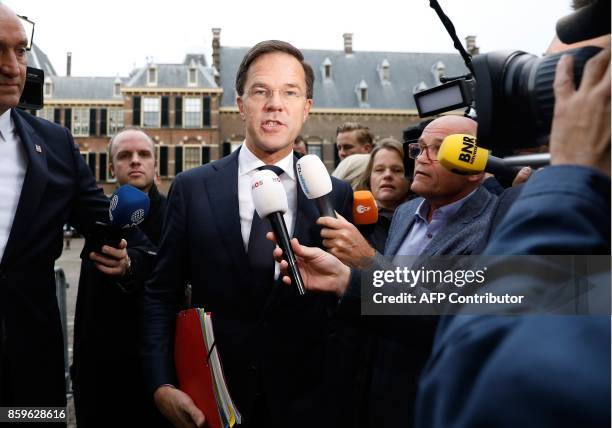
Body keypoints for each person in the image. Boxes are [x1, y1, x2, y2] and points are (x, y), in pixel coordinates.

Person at [142, 40, 353, 428]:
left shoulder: (334, 195)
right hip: (212, 405)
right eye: (261, 91)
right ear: (241, 105)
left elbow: (349, 310)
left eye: (290, 92)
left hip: (308, 406)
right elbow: (160, 293)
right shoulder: (191, 188)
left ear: (306, 109)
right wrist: (160, 384)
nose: (275, 103)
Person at [0, 3, 134, 408]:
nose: (12, 67)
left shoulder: (55, 143)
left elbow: (105, 222)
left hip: (30, 370)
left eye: (21, 51)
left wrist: (127, 257)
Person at [72, 128, 169, 427]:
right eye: (125, 156)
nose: (135, 161)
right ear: (112, 167)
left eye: (144, 155)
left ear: (155, 164)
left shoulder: (176, 214)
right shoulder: (97, 216)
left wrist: (133, 266)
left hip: (156, 370)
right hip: (103, 372)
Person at [355, 137, 412, 252]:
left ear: (410, 178)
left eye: (397, 170)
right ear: (369, 177)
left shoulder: (422, 220)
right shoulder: (352, 219)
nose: (387, 175)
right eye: (379, 170)